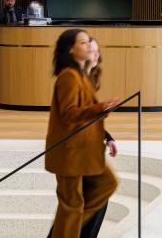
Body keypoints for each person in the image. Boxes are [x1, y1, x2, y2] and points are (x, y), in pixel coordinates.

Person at [45, 29, 119, 237]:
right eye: (83, 43)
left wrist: (102, 112)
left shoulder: (81, 76)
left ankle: (68, 229)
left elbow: (85, 112)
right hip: (70, 152)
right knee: (72, 206)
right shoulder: (68, 77)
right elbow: (69, 114)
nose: (89, 47)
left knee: (105, 185)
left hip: (82, 151)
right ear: (71, 49)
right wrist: (100, 108)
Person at [77, 37, 118, 238]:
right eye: (91, 52)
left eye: (96, 51)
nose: (95, 56)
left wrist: (107, 138)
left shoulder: (88, 80)